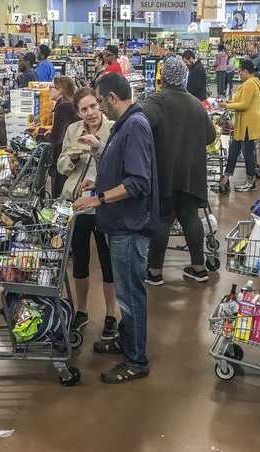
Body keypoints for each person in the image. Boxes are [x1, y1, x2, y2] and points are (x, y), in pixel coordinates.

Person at [73, 73, 158, 384]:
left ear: (110, 98)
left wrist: (99, 199)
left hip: (129, 225)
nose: (99, 109)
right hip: (121, 222)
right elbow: (122, 168)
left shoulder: (134, 125)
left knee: (130, 295)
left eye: (100, 101)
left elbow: (138, 182)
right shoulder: (128, 124)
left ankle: (136, 360)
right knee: (125, 292)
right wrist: (100, 181)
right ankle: (126, 341)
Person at [141, 56, 216, 285]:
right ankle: (198, 267)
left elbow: (141, 126)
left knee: (163, 219)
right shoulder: (195, 104)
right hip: (192, 172)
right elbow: (211, 136)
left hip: (165, 171)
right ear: (185, 76)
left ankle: (154, 272)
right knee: (190, 217)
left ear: (163, 76)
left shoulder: (156, 101)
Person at [57, 87, 118, 341]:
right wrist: (73, 156)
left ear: (100, 103)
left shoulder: (115, 129)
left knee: (108, 263)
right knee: (80, 261)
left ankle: (111, 314)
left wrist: (98, 148)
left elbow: (119, 167)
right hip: (78, 205)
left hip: (105, 205)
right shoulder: (73, 131)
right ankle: (81, 310)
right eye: (84, 109)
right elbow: (60, 166)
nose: (90, 113)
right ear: (78, 112)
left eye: (93, 106)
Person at [219, 59, 260, 193]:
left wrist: (226, 105)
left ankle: (251, 181)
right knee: (233, 151)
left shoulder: (250, 84)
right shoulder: (249, 83)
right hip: (243, 124)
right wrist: (230, 101)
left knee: (248, 153)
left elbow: (244, 104)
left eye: (240, 71)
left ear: (245, 71)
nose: (238, 74)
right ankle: (225, 179)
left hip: (248, 124)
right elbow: (241, 101)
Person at [47, 76, 78, 198]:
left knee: (59, 190)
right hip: (74, 153)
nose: (49, 90)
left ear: (61, 90)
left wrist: (44, 136)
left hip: (64, 156)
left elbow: (56, 138)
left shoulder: (62, 107)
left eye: (52, 87)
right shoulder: (70, 104)